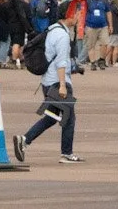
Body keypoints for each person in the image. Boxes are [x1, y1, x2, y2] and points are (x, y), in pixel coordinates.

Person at [13, 16, 82, 164]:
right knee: (69, 118)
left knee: (52, 117)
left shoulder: (52, 29)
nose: (78, 17)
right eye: (77, 13)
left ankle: (24, 140)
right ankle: (66, 153)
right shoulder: (63, 36)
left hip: (47, 81)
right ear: (69, 15)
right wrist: (63, 84)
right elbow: (61, 62)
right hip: (58, 82)